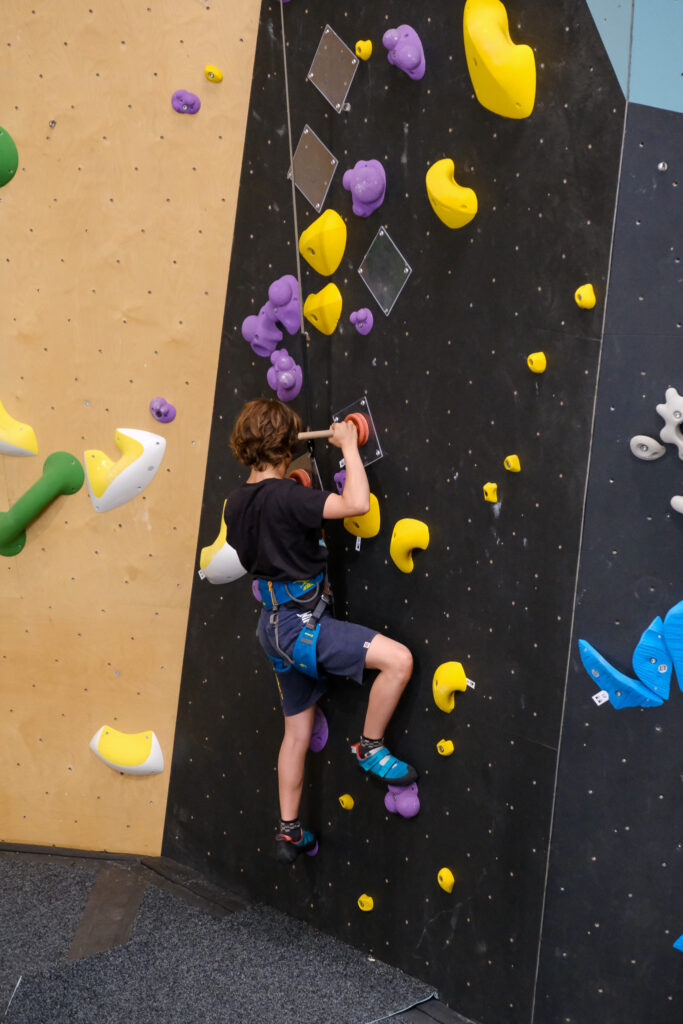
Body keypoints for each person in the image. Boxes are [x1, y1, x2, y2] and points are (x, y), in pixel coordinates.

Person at [226, 398, 417, 864]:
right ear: (284, 445)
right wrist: (349, 445)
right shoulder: (288, 498)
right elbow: (355, 502)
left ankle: (289, 829)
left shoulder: (235, 503)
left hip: (272, 630)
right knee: (399, 661)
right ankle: (369, 746)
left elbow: (268, 539)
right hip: (302, 627)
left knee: (296, 733)